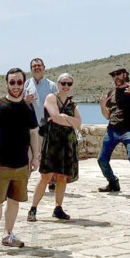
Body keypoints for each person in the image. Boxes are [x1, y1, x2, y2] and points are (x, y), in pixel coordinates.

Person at [0, 68, 39, 254]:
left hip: (22, 164)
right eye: (12, 82)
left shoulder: (27, 108)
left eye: (19, 82)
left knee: (14, 201)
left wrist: (36, 156)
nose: (16, 86)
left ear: (24, 83)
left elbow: (33, 134)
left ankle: (9, 235)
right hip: (1, 163)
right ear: (6, 83)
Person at [29, 73, 82, 221]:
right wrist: (68, 120)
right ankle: (33, 208)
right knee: (46, 176)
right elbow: (56, 116)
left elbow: (79, 123)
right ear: (58, 84)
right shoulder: (51, 98)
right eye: (63, 83)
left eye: (69, 84)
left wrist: (64, 118)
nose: (66, 86)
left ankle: (58, 208)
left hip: (68, 143)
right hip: (53, 142)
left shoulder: (72, 104)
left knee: (62, 177)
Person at [97, 67, 130, 196]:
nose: (116, 77)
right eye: (113, 75)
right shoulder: (111, 92)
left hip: (129, 131)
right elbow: (108, 115)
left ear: (125, 74)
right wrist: (102, 106)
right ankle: (113, 182)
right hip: (112, 130)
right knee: (102, 159)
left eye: (118, 74)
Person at [23, 58, 57, 130]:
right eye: (34, 66)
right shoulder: (26, 85)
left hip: (47, 127)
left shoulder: (52, 85)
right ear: (31, 69)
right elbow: (18, 105)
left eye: (39, 65)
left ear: (44, 68)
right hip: (30, 127)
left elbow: (57, 106)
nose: (37, 68)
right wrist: (25, 101)